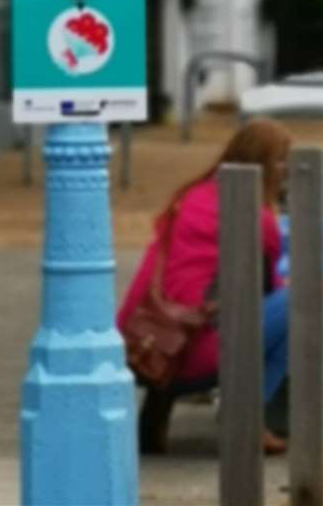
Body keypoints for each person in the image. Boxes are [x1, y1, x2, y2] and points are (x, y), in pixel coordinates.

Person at [117, 118, 291, 455]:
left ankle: (161, 401)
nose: (286, 170)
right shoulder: (256, 217)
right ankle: (243, 416)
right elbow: (269, 286)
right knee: (300, 307)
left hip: (144, 345)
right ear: (262, 166)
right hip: (195, 354)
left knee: (196, 302)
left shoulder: (192, 195)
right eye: (282, 160)